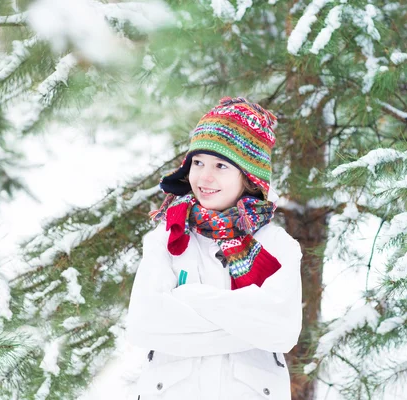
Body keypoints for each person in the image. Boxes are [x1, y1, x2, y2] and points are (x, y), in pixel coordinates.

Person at [125, 96, 303, 400]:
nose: (204, 177)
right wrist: (245, 325)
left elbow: (282, 331)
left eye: (221, 165)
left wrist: (189, 298)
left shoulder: (277, 246)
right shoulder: (166, 237)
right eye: (198, 163)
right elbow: (144, 324)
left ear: (248, 177)